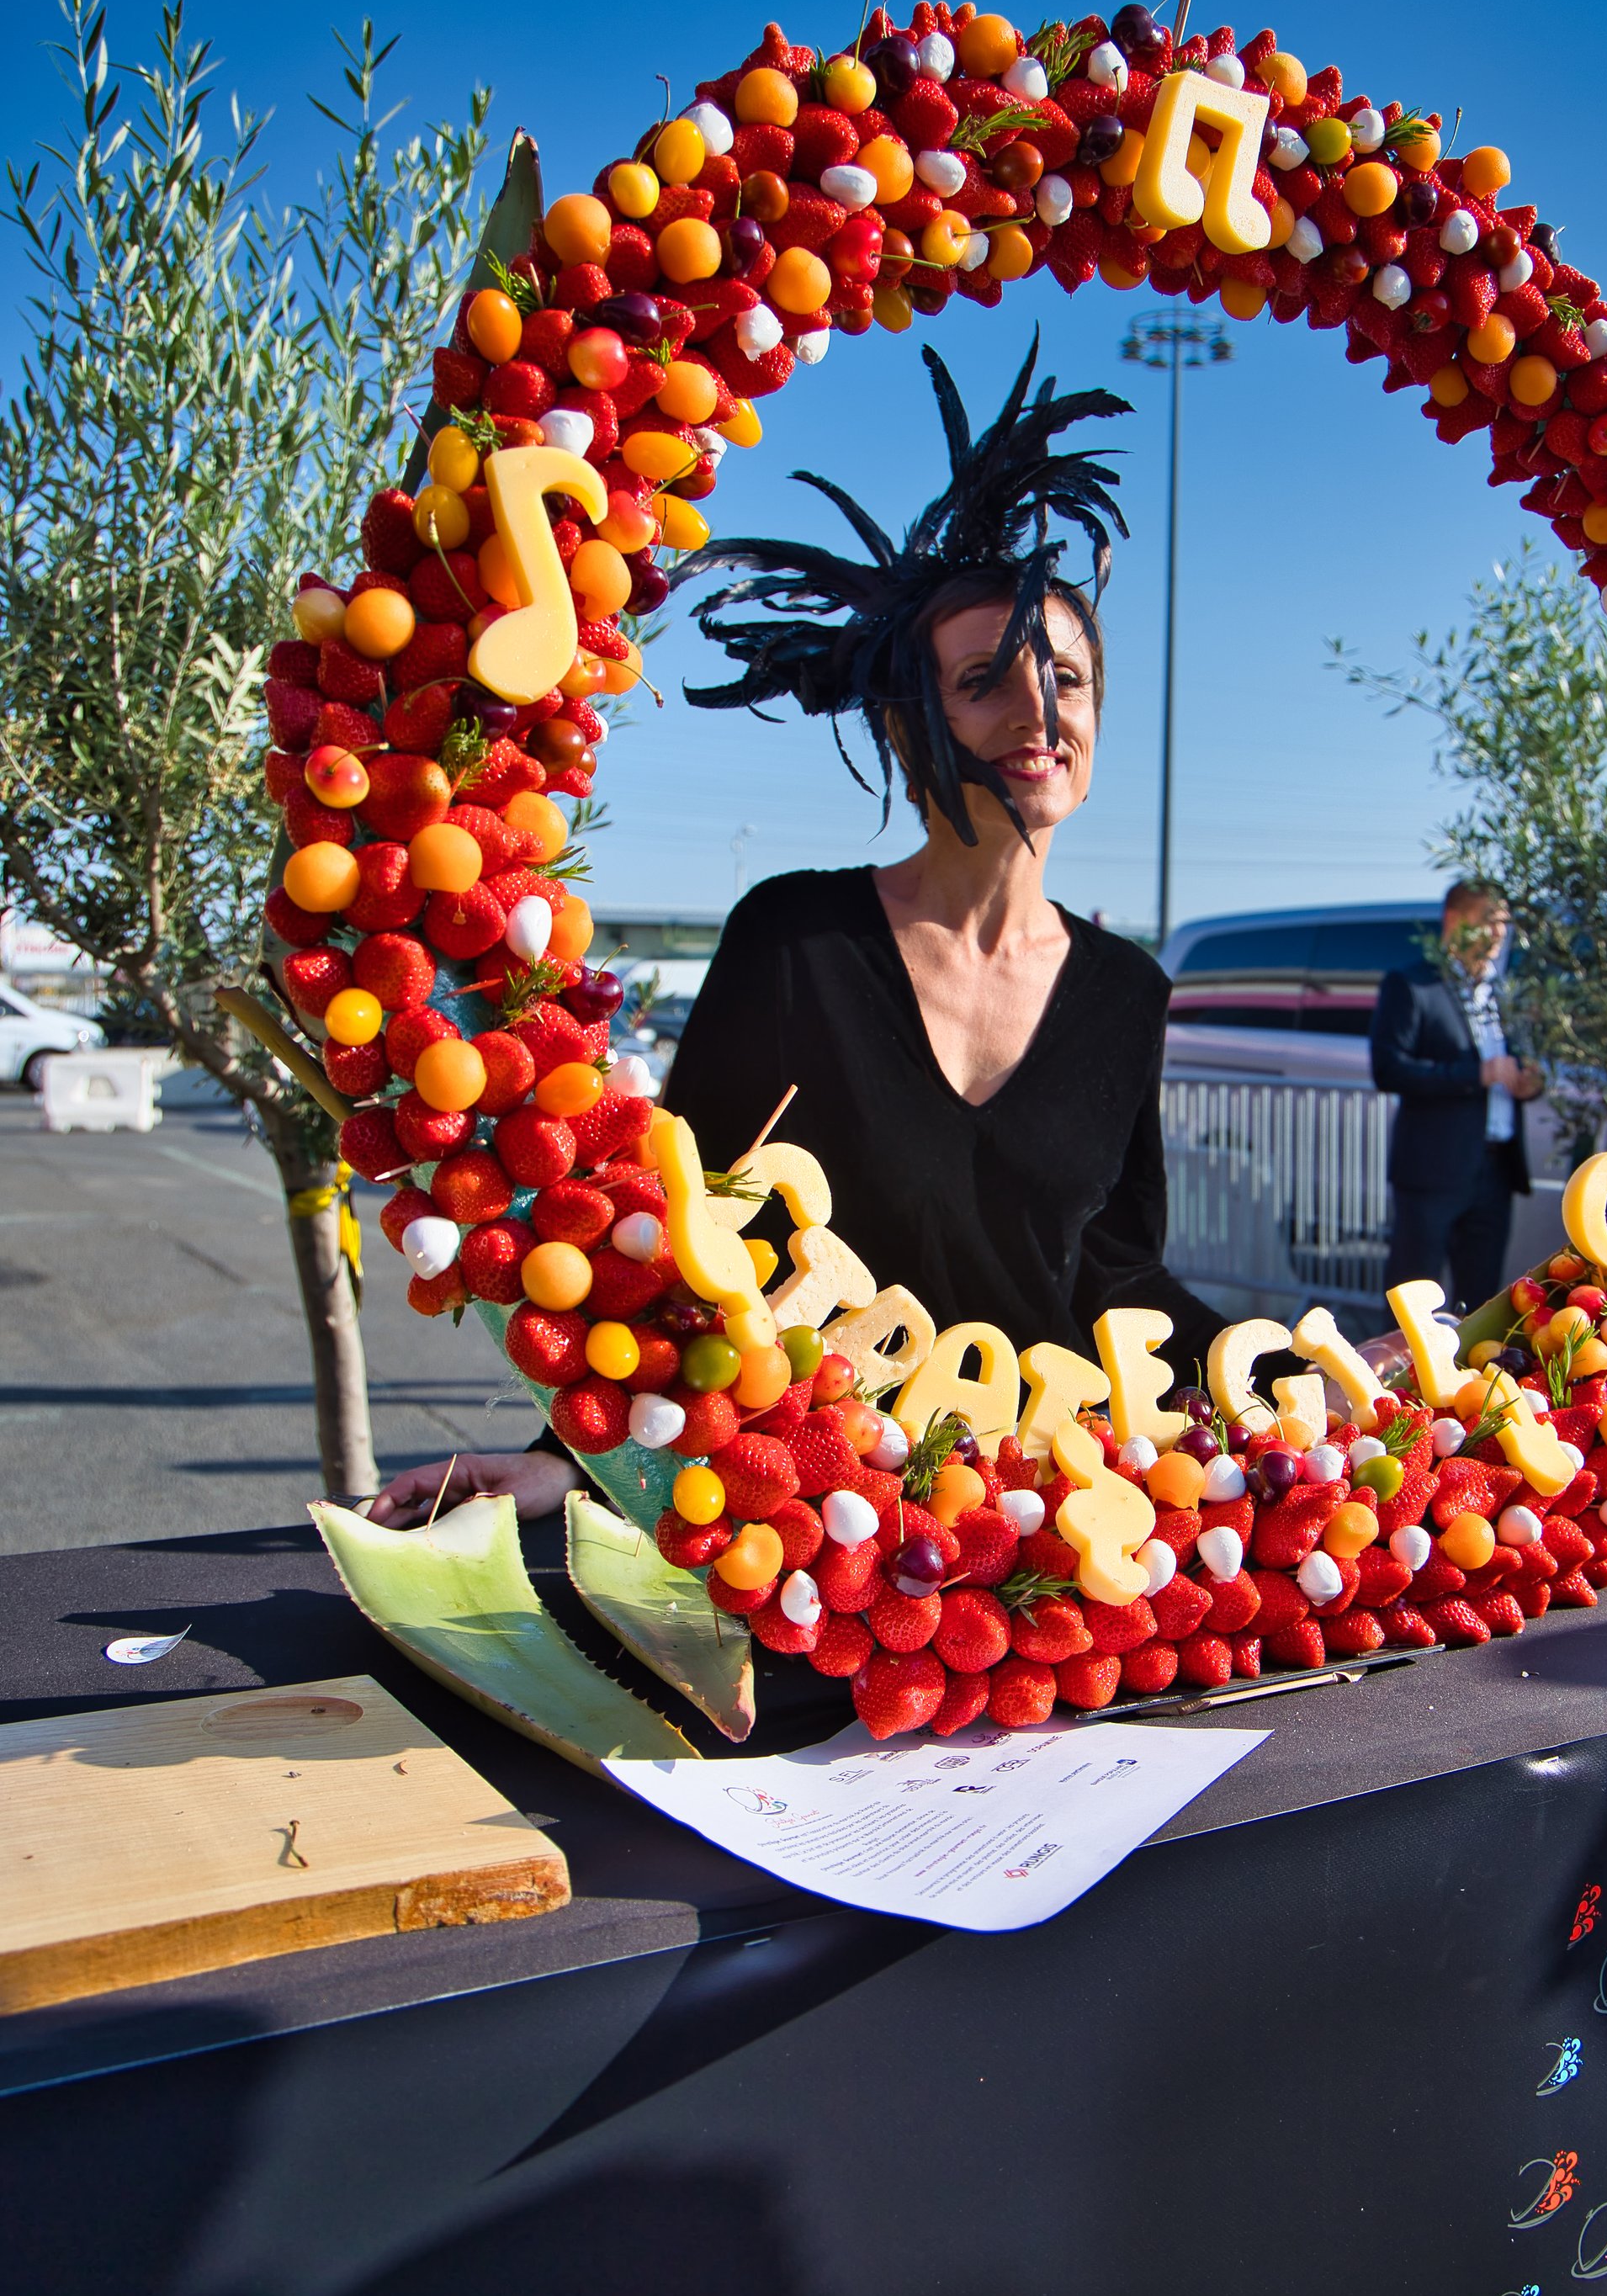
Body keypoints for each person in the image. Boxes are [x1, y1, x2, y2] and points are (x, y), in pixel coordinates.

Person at [372, 342, 1217, 1527]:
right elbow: (674, 1235)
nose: (1039, 711)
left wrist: (1317, 1378)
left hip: (1030, 1532)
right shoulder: (796, 939)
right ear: (904, 720)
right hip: (802, 1520)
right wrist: (570, 1456)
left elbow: (1122, 1281)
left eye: (1067, 680)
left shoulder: (1128, 990)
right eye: (984, 678)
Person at [1371, 878, 1542, 1318]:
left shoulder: (1503, 993)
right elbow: (1389, 1069)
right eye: (1488, 919)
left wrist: (1530, 1082)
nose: (1498, 932)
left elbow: (1520, 1061)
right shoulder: (1412, 985)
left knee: (1481, 1304)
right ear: (1454, 921)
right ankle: (1398, 1386)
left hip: (1495, 1169)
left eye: (1503, 922)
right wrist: (1477, 1074)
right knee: (1412, 1300)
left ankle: (1468, 1385)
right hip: (1433, 1170)